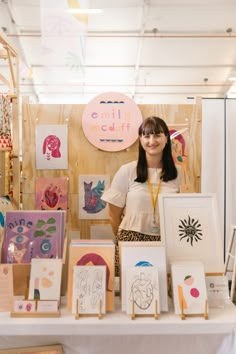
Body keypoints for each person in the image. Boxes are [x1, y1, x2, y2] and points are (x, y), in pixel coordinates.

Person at [101, 116, 181, 276]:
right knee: (130, 293)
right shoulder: (127, 171)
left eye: (157, 135)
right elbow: (113, 216)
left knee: (161, 293)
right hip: (131, 240)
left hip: (165, 242)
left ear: (166, 138)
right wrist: (126, 241)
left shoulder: (178, 173)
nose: (152, 140)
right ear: (140, 139)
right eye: (146, 135)